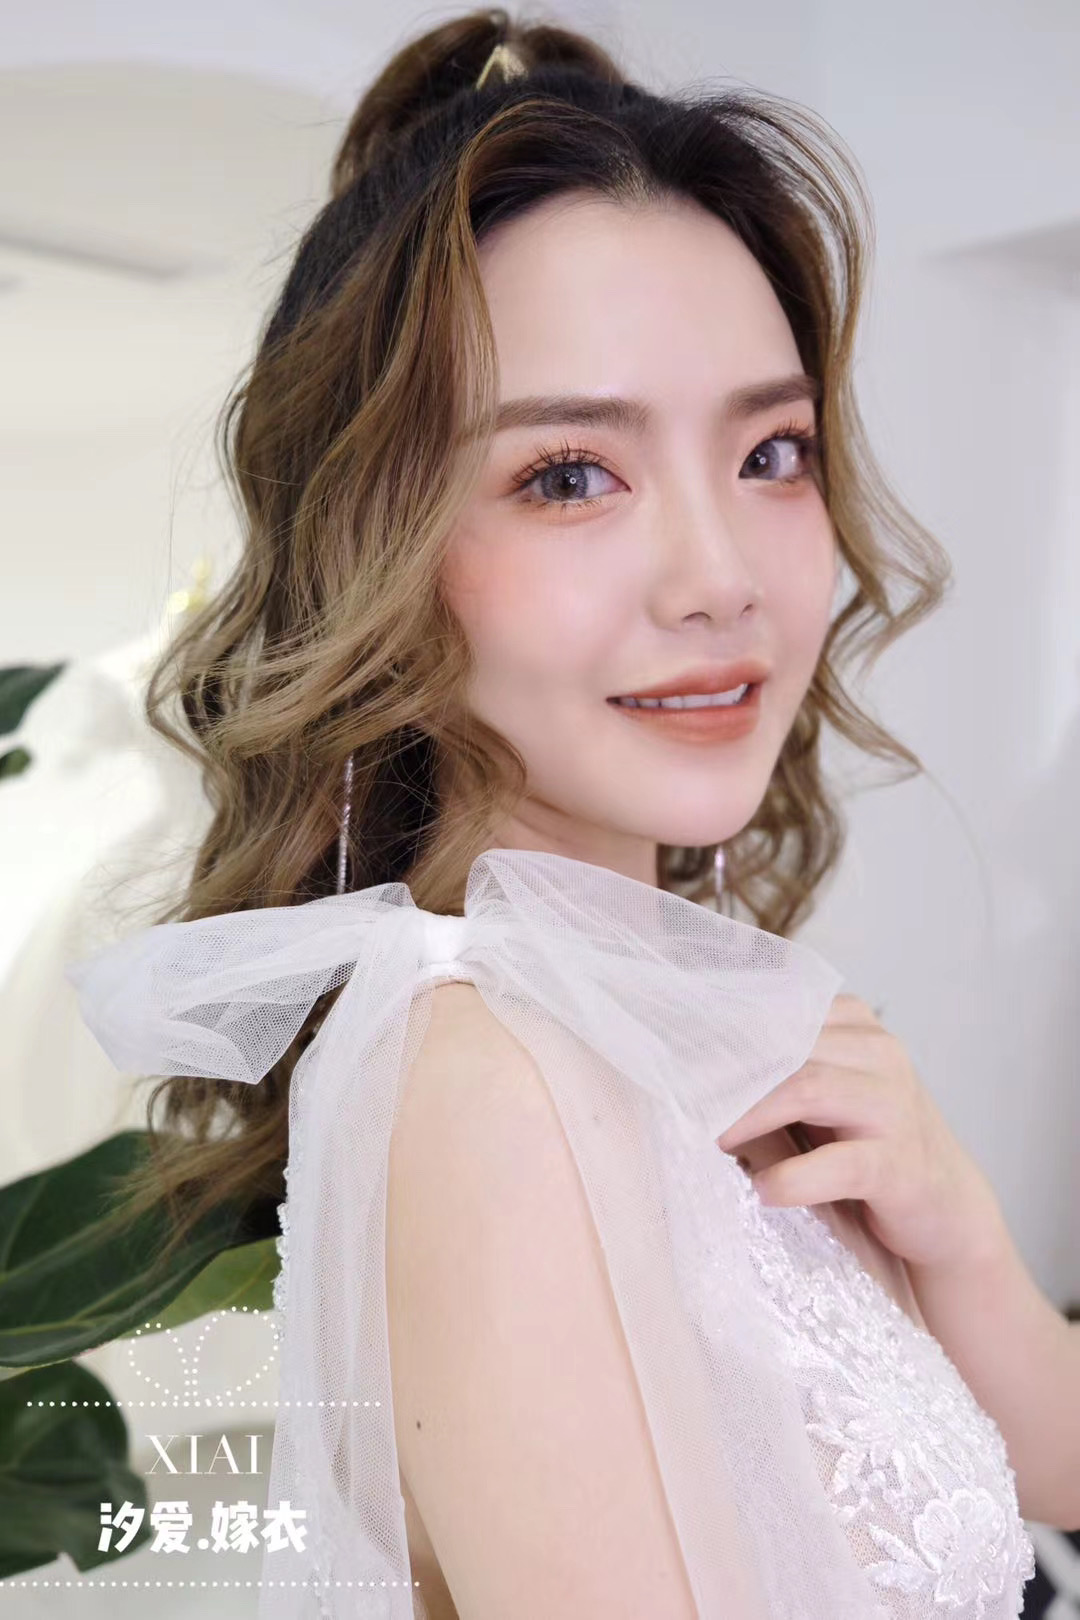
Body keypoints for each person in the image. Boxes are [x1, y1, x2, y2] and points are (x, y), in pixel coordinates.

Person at [65, 10, 1055, 1617]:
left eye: (773, 451)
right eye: (570, 476)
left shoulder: (666, 1028)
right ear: (380, 555)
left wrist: (962, 1236)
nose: (721, 577)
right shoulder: (498, 1090)